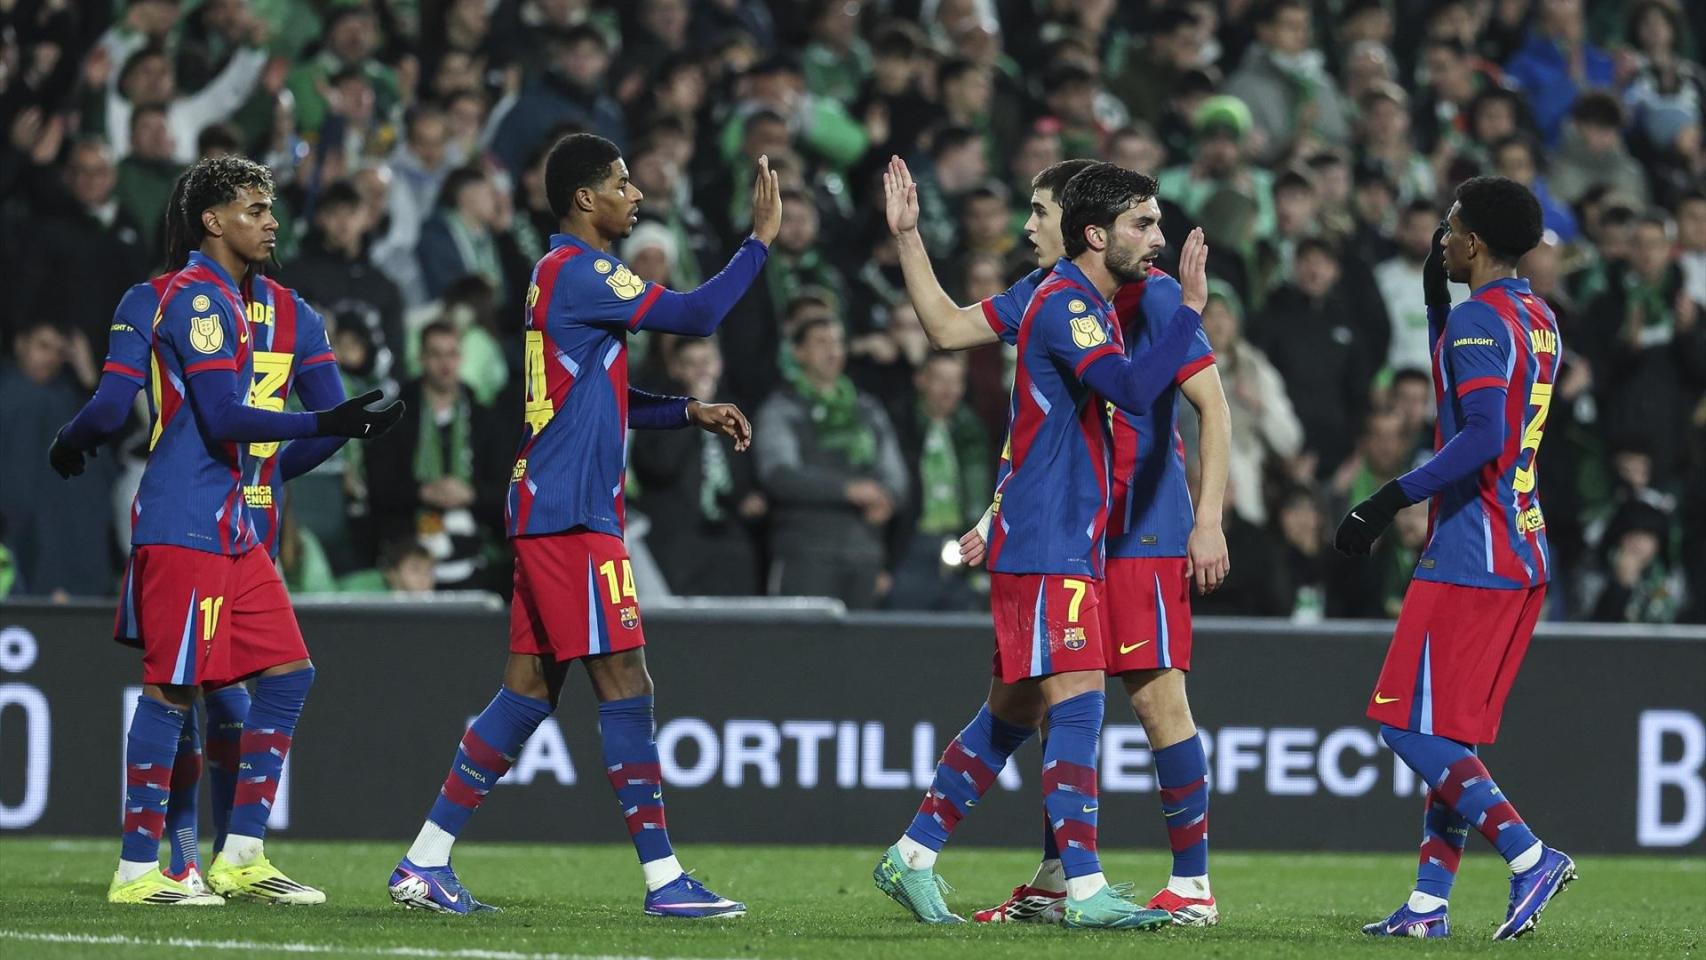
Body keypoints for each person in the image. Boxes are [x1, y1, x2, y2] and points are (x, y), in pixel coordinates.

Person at [386, 133, 780, 918]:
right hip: (571, 512)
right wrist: (759, 242)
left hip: (551, 504)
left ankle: (425, 860)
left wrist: (687, 410)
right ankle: (665, 880)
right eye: (622, 184)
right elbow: (698, 315)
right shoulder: (586, 269)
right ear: (583, 200)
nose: (636, 196)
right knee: (626, 681)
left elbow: (600, 396)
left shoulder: (559, 277)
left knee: (528, 691)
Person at [884, 152, 1232, 925]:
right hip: (1061, 532)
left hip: (1134, 530)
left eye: (1037, 212)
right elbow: (950, 332)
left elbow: (1205, 404)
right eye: (1145, 223)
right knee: (1056, 704)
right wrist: (909, 239)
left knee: (1075, 705)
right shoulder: (1057, 297)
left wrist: (1206, 519)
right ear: (1096, 233)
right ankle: (1071, 882)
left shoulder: (1143, 292)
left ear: (1077, 225)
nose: (1027, 226)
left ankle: (1178, 884)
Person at [49, 155, 402, 906]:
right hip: (187, 518)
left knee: (286, 673)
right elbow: (219, 415)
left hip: (236, 525)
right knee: (177, 689)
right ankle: (140, 869)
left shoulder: (188, 300)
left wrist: (73, 440)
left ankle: (238, 854)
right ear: (212, 220)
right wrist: (323, 424)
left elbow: (115, 410)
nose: (273, 220)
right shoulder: (200, 301)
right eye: (255, 207)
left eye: (272, 207)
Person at [1333, 176, 1575, 941]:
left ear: (1475, 241)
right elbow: (1480, 395)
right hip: (1524, 546)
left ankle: (1528, 853)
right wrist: (1442, 306)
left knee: (1407, 727)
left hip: (1472, 550)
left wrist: (1384, 500)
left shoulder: (1480, 321)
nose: (1441, 240)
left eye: (1450, 229)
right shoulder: (1537, 317)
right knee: (1451, 738)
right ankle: (1429, 907)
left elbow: (1479, 437)